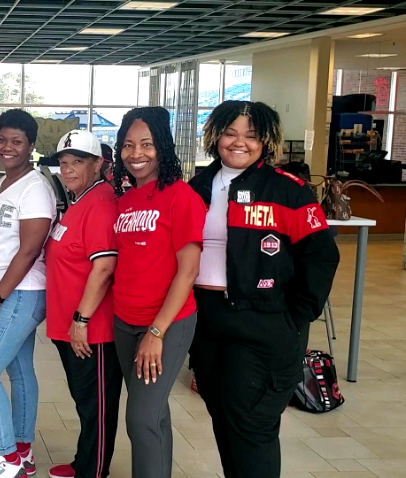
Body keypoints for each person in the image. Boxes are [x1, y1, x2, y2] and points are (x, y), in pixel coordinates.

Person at [188, 101, 340, 478]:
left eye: (251, 136)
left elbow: (321, 256)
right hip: (206, 320)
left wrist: (296, 316)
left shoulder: (288, 191)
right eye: (230, 133)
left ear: (265, 142)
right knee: (222, 415)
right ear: (215, 136)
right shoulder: (198, 186)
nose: (239, 143)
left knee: (251, 424)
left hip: (264, 324)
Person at [111, 107, 205, 478]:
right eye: (129, 145)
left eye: (147, 145)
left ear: (162, 148)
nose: (137, 154)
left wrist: (156, 332)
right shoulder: (126, 200)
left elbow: (189, 271)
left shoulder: (180, 197)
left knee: (141, 418)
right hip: (124, 321)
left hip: (166, 323)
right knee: (154, 413)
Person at [0, 109, 56, 478]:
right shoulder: (6, 183)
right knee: (19, 372)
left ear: (31, 146)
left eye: (16, 141)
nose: (7, 147)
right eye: (2, 139)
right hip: (10, 291)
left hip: (19, 293)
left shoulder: (35, 188)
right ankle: (22, 452)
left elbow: (28, 250)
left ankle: (7, 458)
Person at [44, 130, 123, 478]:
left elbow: (104, 268)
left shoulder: (102, 202)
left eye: (78, 161)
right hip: (70, 323)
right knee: (85, 402)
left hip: (93, 328)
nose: (69, 169)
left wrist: (81, 320)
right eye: (64, 163)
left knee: (97, 405)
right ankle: (84, 463)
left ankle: (94, 471)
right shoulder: (80, 200)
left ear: (98, 164)